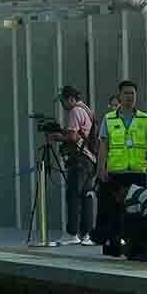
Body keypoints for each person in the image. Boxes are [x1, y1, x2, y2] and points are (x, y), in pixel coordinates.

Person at [95, 80, 147, 258]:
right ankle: (114, 245)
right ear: (119, 95)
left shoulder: (144, 119)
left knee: (136, 212)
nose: (129, 97)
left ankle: (135, 245)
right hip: (116, 172)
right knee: (114, 210)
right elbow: (103, 146)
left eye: (132, 93)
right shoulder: (109, 119)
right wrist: (101, 169)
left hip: (137, 173)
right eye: (126, 93)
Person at [52, 86, 95, 245]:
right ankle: (87, 234)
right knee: (86, 197)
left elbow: (73, 136)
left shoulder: (75, 111)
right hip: (89, 159)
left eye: (63, 101)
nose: (62, 105)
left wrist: (58, 136)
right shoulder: (86, 110)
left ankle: (72, 233)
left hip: (79, 159)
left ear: (70, 99)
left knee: (73, 196)